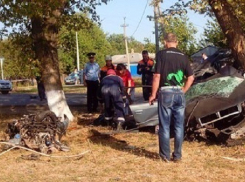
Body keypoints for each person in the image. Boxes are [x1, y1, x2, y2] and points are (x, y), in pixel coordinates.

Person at [149, 33, 194, 162]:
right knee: (179, 126)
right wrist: (183, 91)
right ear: (177, 42)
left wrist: (153, 94)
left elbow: (157, 76)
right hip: (179, 93)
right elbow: (191, 78)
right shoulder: (183, 56)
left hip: (166, 93)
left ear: (165, 42)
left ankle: (165, 156)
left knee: (165, 126)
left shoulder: (161, 55)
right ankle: (178, 156)